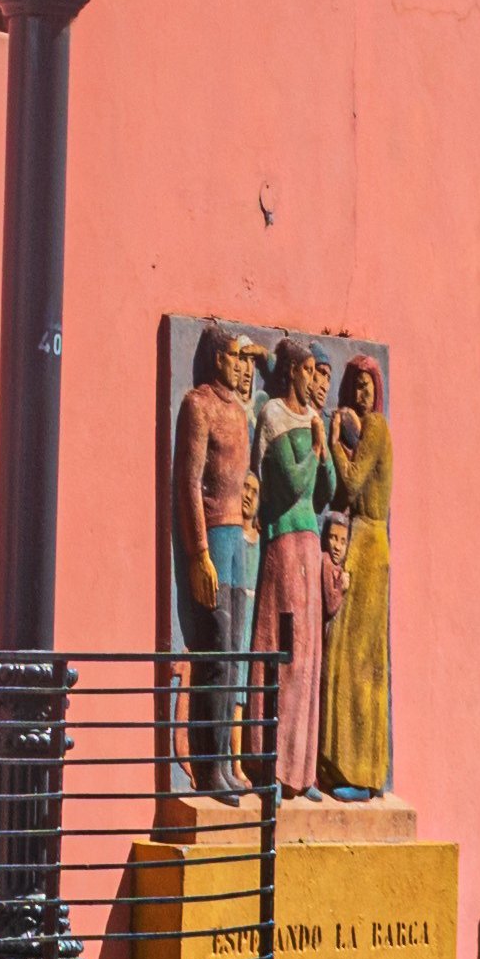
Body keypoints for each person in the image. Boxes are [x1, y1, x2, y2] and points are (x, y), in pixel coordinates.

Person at [169, 328, 260, 800]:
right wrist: (198, 553)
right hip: (213, 539)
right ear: (214, 359)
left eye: (243, 359)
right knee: (215, 654)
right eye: (233, 357)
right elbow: (188, 483)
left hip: (238, 541)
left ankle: (225, 759)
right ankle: (206, 765)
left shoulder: (239, 411)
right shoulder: (197, 405)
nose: (240, 365)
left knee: (236, 656)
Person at [254, 341, 341, 801]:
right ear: (291, 372)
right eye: (309, 371)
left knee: (308, 662)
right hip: (284, 541)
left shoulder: (312, 421)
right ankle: (271, 765)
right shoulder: (274, 416)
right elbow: (291, 484)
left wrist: (323, 451)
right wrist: (316, 445)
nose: (315, 381)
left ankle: (302, 771)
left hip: (309, 542)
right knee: (285, 655)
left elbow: (325, 491)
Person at [317, 358, 393, 803]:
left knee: (361, 660)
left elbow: (350, 482)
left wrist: (336, 442)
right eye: (355, 388)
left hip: (368, 541)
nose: (360, 395)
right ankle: (339, 760)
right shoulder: (366, 429)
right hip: (361, 539)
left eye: (366, 387)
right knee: (342, 654)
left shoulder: (378, 427)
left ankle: (364, 771)